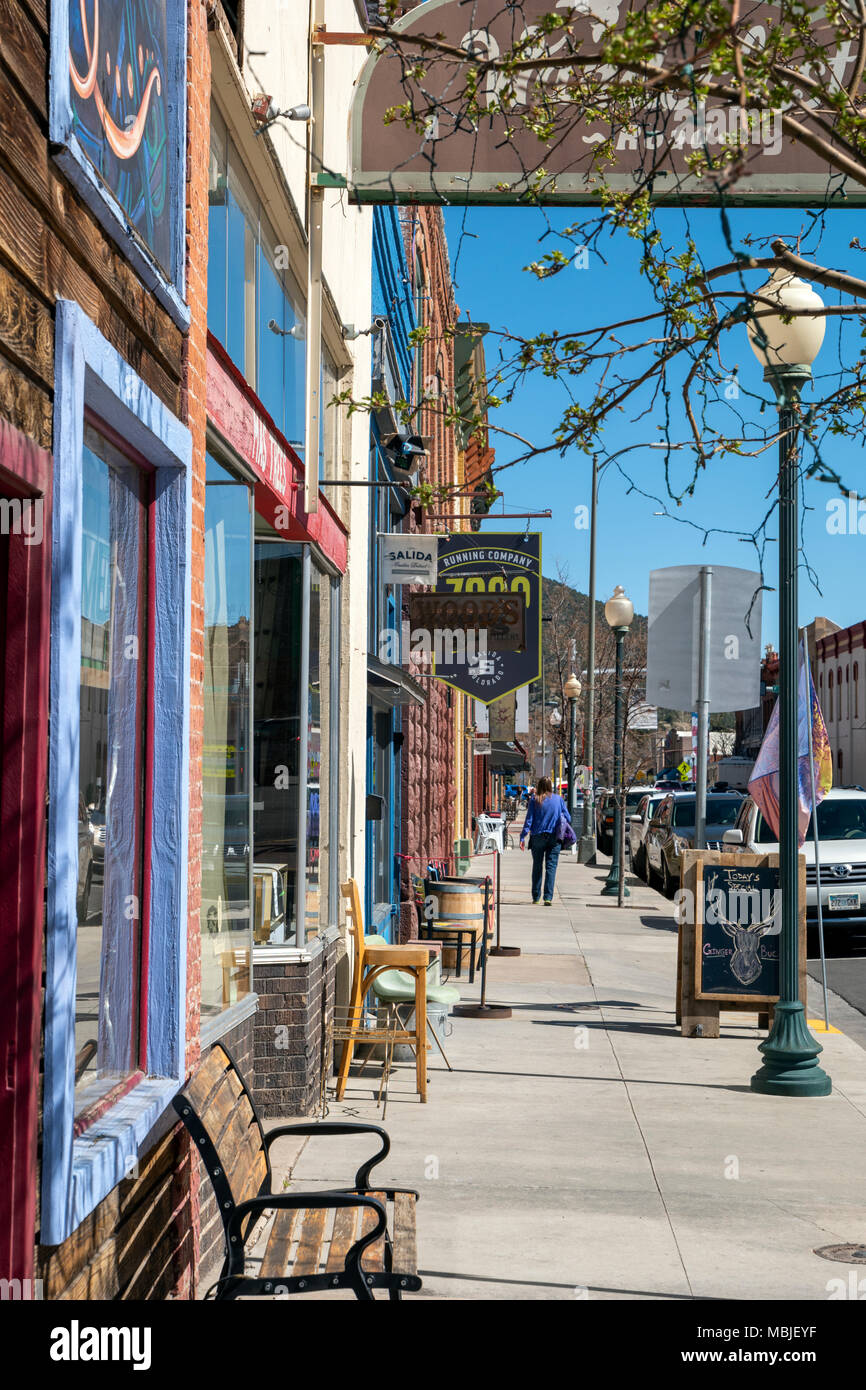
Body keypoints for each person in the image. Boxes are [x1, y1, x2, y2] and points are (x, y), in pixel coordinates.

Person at [519, 776, 568, 905]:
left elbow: (529, 821)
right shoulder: (558, 800)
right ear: (550, 786)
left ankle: (536, 897)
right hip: (554, 837)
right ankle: (548, 897)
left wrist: (522, 836)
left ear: (539, 786)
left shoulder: (535, 800)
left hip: (537, 837)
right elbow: (567, 817)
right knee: (551, 867)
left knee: (537, 866)